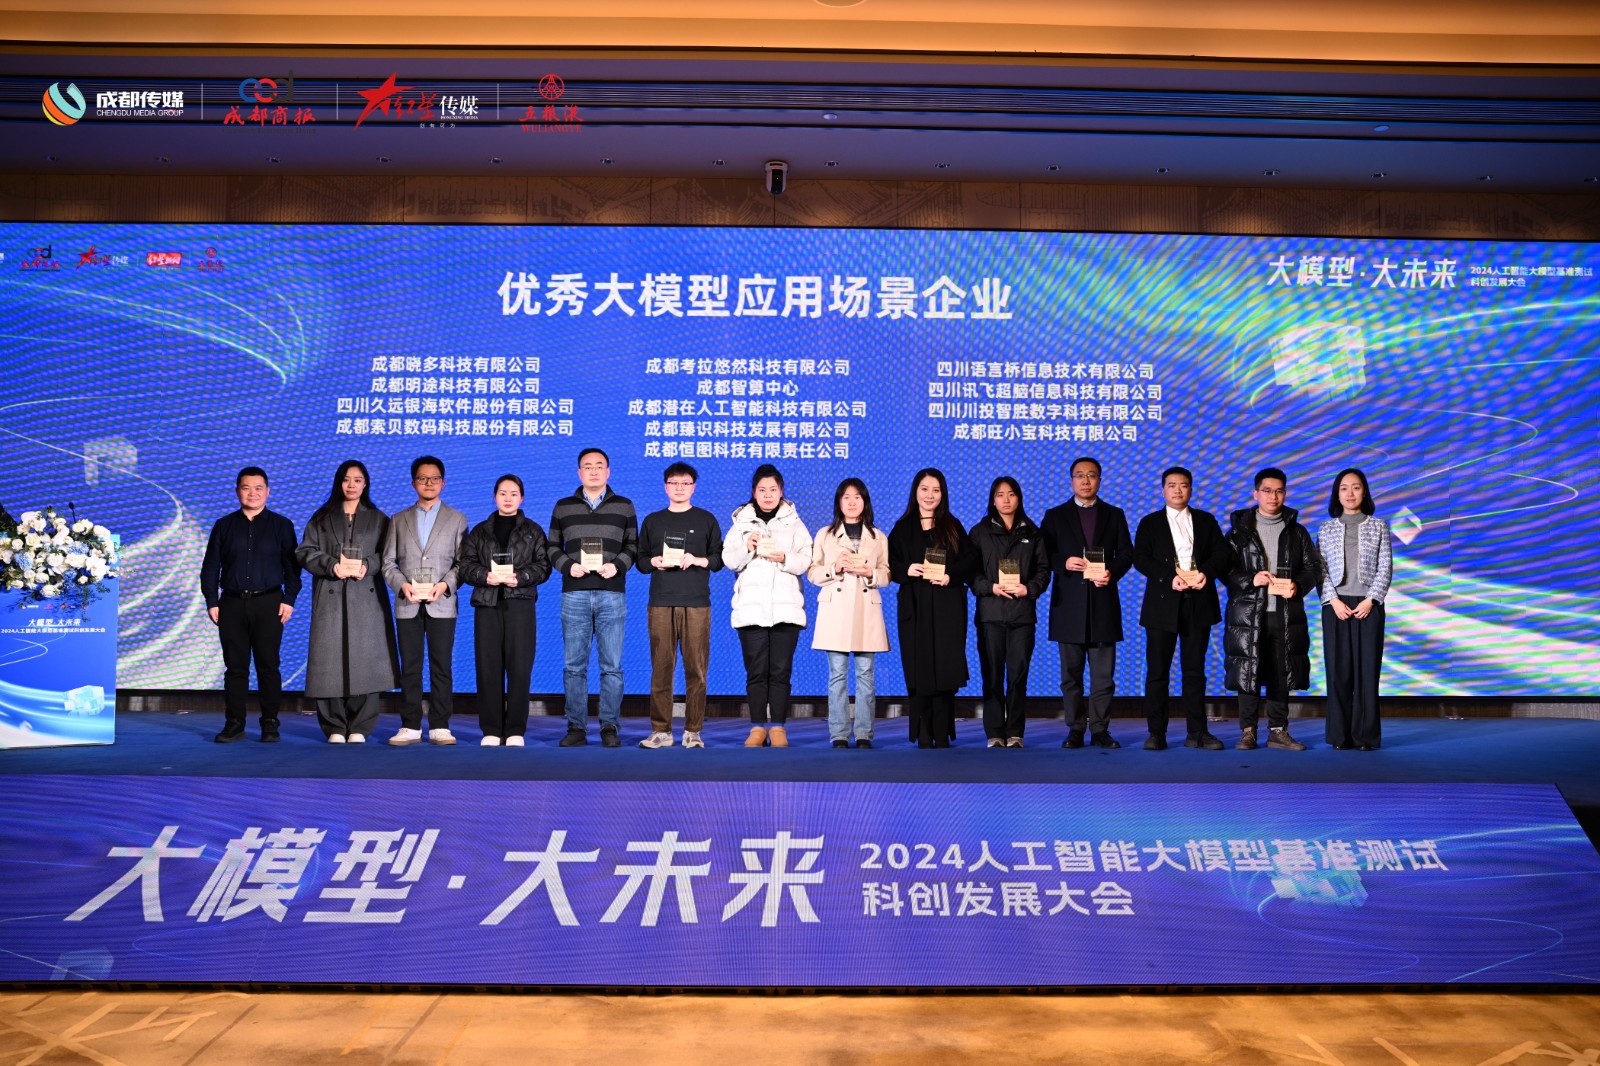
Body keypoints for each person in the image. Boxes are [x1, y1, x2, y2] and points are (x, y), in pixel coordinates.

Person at [295, 459, 400, 744]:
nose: (351, 485)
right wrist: (331, 565)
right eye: (346, 479)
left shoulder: (379, 518)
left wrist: (368, 565)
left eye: (357, 480)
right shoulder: (321, 517)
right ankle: (334, 726)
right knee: (328, 660)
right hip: (330, 594)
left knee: (367, 658)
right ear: (338, 483)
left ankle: (360, 727)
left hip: (367, 596)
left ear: (366, 484)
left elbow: (389, 554)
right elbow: (305, 551)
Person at [1132, 466, 1232, 751]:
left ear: (1191, 489)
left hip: (1198, 602)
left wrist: (1206, 573)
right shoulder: (1150, 522)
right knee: (1157, 673)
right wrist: (1168, 577)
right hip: (1162, 604)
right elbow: (1141, 558)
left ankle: (1197, 733)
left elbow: (1223, 553)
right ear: (1163, 490)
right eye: (1172, 485)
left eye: (1184, 485)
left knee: (1195, 672)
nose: (1178, 490)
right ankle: (1156, 734)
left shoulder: (1205, 520)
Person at [200, 466, 301, 743]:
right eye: (246, 488)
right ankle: (234, 724)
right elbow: (210, 567)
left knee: (268, 667)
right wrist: (212, 601)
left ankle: (270, 724)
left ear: (268, 491)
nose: (252, 493)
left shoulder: (282, 525)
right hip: (231, 604)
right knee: (235, 669)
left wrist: (289, 599)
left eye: (258, 488)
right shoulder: (223, 525)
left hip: (270, 603)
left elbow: (293, 569)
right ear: (237, 491)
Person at [1223, 467, 1320, 751]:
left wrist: (1298, 586)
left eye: (1279, 491)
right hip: (1248, 613)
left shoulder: (1297, 532)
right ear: (1256, 494)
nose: (1273, 496)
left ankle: (1278, 731)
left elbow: (1313, 568)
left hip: (1284, 613)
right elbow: (1224, 569)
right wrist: (1250, 579)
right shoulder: (1238, 532)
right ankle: (1248, 732)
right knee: (1248, 672)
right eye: (1267, 491)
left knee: (1281, 672)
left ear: (1285, 494)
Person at [1041, 456, 1134, 749]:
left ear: (1100, 480)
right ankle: (1075, 729)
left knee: (1103, 677)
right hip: (1068, 607)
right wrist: (1064, 563)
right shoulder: (1055, 515)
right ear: (1071, 481)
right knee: (1070, 676)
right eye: (1080, 475)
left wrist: (1112, 572)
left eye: (1091, 475)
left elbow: (1126, 553)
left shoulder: (1114, 514)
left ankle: (1100, 730)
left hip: (1103, 604)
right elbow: (1043, 555)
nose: (1085, 480)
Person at [547, 448, 637, 748]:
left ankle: (609, 727)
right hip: (575, 593)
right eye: (588, 466)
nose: (594, 471)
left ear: (608, 471)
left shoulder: (624, 506)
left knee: (612, 666)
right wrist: (568, 566)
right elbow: (551, 547)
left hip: (612, 593)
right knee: (574, 666)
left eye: (599, 466)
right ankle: (576, 727)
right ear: (579, 472)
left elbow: (633, 546)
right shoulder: (563, 506)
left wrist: (618, 565)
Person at [381, 455, 469, 747]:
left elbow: (463, 563)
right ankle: (410, 725)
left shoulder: (457, 519)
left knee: (441, 666)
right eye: (422, 478)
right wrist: (402, 585)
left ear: (443, 483)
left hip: (441, 603)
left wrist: (445, 585)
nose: (428, 483)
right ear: (413, 483)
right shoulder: (398, 519)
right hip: (407, 602)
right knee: (410, 667)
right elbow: (388, 562)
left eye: (434, 478)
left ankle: (440, 725)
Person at [635, 461, 724, 749]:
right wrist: (653, 561)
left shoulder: (706, 519)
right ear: (665, 487)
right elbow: (640, 561)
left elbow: (719, 559)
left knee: (696, 669)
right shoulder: (653, 521)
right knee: (661, 668)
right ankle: (661, 730)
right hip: (661, 602)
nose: (679, 488)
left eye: (685, 483)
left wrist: (698, 560)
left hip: (696, 603)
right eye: (674, 483)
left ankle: (693, 730)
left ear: (693, 487)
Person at [458, 474, 551, 746]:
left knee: (520, 667)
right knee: (488, 667)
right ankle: (491, 729)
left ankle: (515, 730)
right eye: (502, 493)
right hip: (487, 604)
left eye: (513, 494)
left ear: (522, 498)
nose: (508, 498)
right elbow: (465, 565)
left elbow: (544, 566)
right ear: (494, 496)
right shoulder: (479, 531)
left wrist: (520, 577)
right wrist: (485, 576)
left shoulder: (533, 531)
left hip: (520, 604)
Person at [723, 464, 812, 747]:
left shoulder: (794, 524)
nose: (768, 495)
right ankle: (757, 727)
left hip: (786, 608)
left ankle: (779, 728)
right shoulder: (741, 523)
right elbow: (729, 560)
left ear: (781, 491)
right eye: (762, 490)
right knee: (756, 672)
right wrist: (747, 546)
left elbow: (806, 560)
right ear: (754, 492)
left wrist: (784, 557)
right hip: (751, 609)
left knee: (781, 672)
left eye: (773, 489)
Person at [888, 467, 976, 748]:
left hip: (947, 607)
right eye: (924, 489)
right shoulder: (903, 528)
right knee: (919, 668)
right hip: (915, 608)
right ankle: (923, 733)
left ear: (943, 494)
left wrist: (950, 574)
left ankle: (942, 731)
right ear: (915, 492)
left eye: (936, 490)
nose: (930, 495)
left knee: (946, 668)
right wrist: (907, 569)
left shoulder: (952, 525)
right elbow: (889, 563)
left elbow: (970, 561)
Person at [808, 477, 890, 749]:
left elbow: (887, 573)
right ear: (839, 502)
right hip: (837, 610)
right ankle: (839, 733)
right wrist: (834, 568)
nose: (852, 502)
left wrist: (870, 573)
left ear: (865, 501)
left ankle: (864, 733)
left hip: (866, 608)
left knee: (865, 674)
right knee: (837, 674)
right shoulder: (825, 534)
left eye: (857, 497)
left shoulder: (878, 537)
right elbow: (813, 572)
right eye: (846, 497)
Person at [967, 476, 1050, 748]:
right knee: (992, 675)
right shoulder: (979, 532)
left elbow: (1043, 570)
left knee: (1018, 675)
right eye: (1000, 494)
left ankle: (1015, 732)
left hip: (1022, 615)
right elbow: (970, 572)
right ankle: (994, 732)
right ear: (993, 500)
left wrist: (1030, 589)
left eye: (1011, 494)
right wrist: (990, 587)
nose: (1006, 499)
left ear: (1019, 498)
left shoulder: (1032, 532)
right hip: (990, 614)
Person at [1317, 468, 1392, 751]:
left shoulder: (1379, 526)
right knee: (1339, 673)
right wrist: (1333, 600)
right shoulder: (1325, 528)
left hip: (1368, 605)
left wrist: (1371, 599)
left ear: (1365, 492)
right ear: (1337, 494)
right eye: (1344, 488)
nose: (1350, 493)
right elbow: (1320, 569)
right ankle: (1340, 737)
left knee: (1367, 672)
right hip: (1335, 606)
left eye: (1356, 487)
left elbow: (1386, 567)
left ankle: (1365, 737)